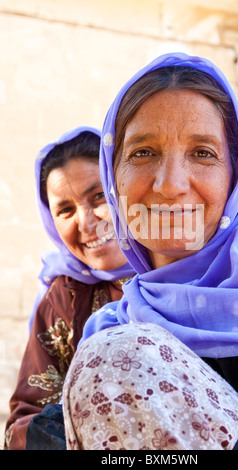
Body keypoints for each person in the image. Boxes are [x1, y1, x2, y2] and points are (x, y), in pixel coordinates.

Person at [63, 53, 238, 450]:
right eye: (143, 152)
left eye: (203, 153)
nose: (171, 185)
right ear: (112, 175)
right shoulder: (109, 330)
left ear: (235, 175)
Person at [4, 127, 135, 450]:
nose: (86, 222)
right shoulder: (63, 297)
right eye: (65, 210)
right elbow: (26, 418)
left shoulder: (182, 271)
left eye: (99, 196)